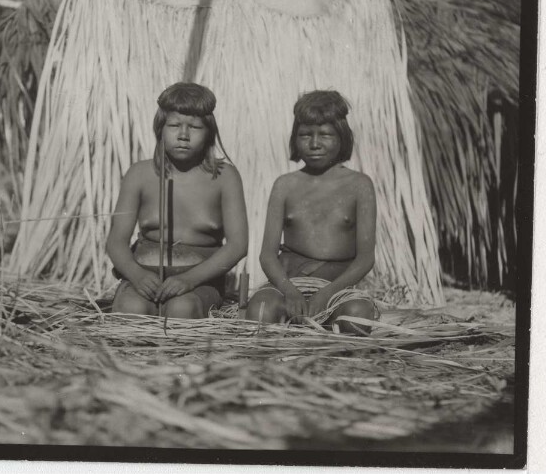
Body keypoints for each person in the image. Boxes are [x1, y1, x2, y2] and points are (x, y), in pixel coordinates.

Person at [107, 82, 248, 319]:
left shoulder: (225, 177)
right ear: (160, 129)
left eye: (194, 127)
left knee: (181, 309)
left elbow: (238, 245)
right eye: (174, 125)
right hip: (143, 278)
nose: (183, 135)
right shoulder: (139, 174)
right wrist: (137, 275)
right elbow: (116, 241)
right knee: (133, 310)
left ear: (209, 132)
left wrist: (189, 279)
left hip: (199, 282)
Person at [245, 90, 377, 333]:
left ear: (342, 137)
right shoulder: (285, 185)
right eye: (305, 135)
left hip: (337, 287)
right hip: (289, 283)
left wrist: (327, 293)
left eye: (325, 134)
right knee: (260, 312)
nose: (315, 143)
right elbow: (267, 255)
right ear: (295, 138)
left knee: (357, 317)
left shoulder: (359, 185)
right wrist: (289, 291)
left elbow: (365, 258)